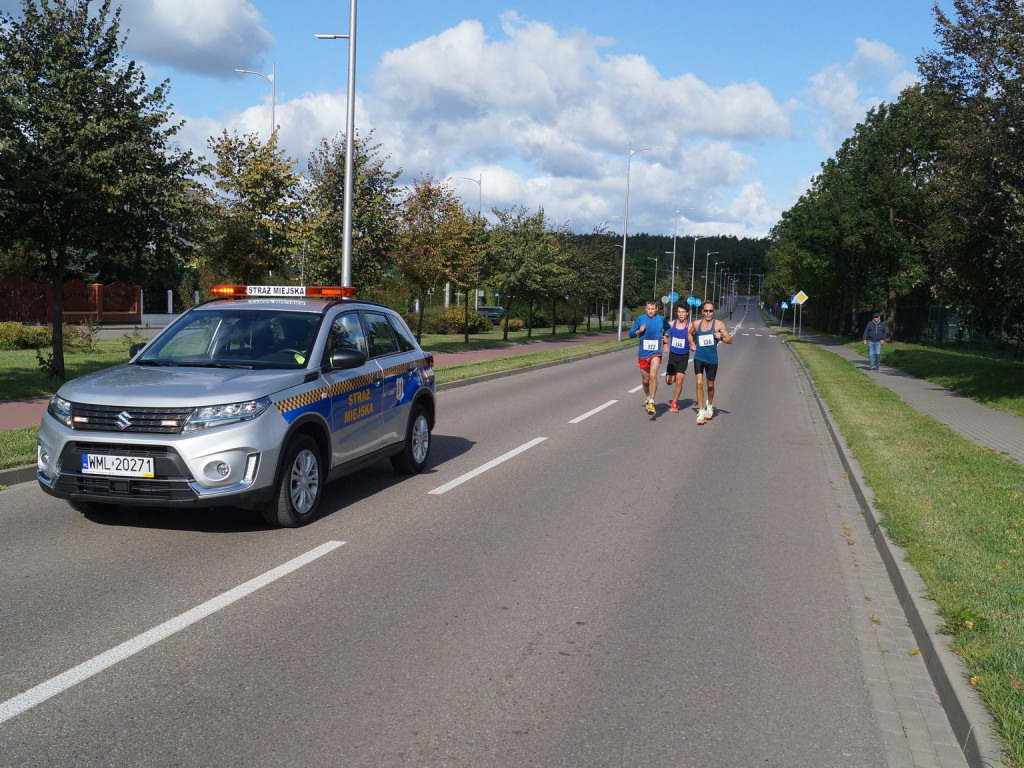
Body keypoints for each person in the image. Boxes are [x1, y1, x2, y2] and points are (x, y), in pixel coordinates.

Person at [688, 300, 733, 425]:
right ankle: (701, 411)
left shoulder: (718, 324)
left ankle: (710, 405)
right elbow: (689, 334)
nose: (708, 313)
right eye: (706, 311)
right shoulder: (696, 324)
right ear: (702, 312)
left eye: (711, 311)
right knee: (699, 383)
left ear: (713, 312)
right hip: (699, 357)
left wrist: (721, 337)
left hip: (712, 359)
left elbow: (730, 340)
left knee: (710, 385)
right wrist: (692, 344)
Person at [628, 299, 670, 414]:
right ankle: (647, 397)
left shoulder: (661, 319)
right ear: (645, 309)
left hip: (656, 352)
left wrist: (666, 336)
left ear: (656, 309)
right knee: (646, 380)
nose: (651, 311)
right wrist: (639, 331)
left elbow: (668, 328)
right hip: (643, 353)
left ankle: (651, 401)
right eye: (649, 309)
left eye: (653, 309)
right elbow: (631, 334)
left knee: (653, 375)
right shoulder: (640, 319)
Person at [663, 304, 691, 413]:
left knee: (680, 380)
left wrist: (694, 344)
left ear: (687, 313)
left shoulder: (690, 326)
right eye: (679, 312)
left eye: (683, 312)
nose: (681, 314)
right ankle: (673, 374)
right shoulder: (671, 324)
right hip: (673, 356)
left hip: (684, 356)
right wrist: (665, 345)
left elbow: (698, 335)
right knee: (669, 381)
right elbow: (665, 335)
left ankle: (674, 403)